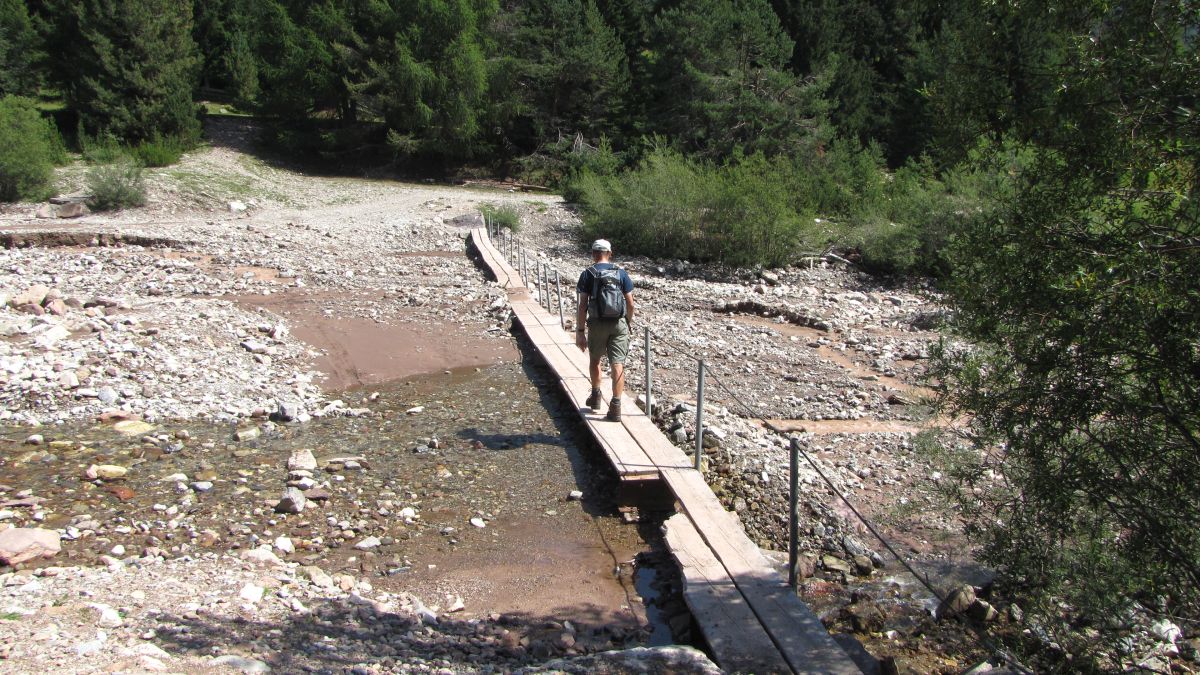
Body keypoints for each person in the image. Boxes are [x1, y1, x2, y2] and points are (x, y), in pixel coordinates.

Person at [575, 239, 635, 421]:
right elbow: (631, 303)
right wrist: (627, 322)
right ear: (610, 253)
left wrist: (580, 331)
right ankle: (616, 406)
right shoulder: (621, 273)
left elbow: (582, 305)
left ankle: (596, 396)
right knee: (618, 363)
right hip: (619, 323)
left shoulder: (588, 274)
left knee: (595, 360)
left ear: (593, 253)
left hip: (597, 323)